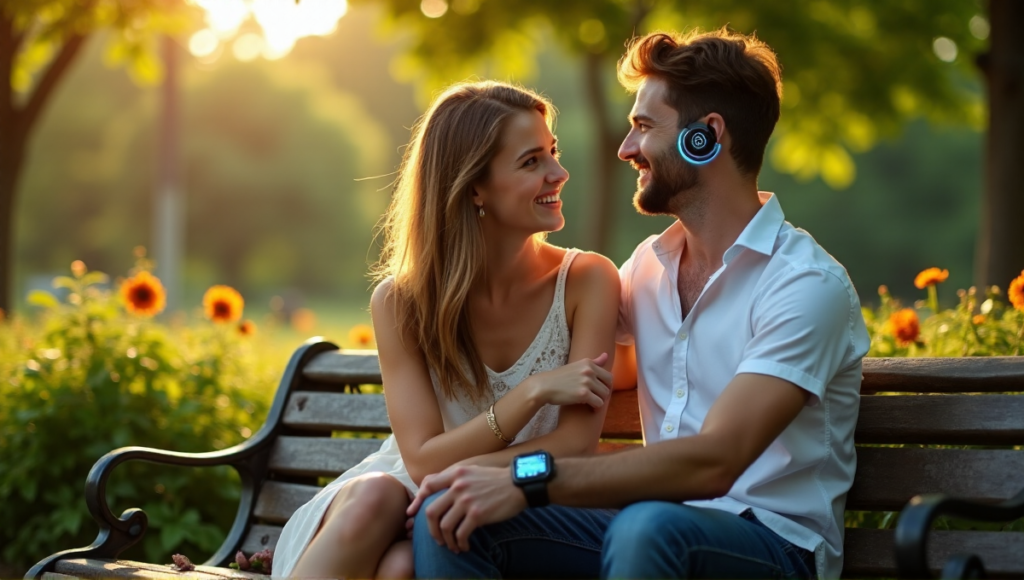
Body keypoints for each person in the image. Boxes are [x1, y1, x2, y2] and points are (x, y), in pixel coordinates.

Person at [409, 28, 870, 580]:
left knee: (647, 527)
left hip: (773, 545)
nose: (626, 149)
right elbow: (558, 346)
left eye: (644, 127)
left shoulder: (804, 286)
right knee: (451, 513)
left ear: (707, 136)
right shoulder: (646, 270)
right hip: (652, 528)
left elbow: (715, 461)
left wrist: (525, 476)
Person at [272, 80, 621, 579]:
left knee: (400, 568)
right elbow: (417, 464)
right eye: (531, 162)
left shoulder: (587, 281)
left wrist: (458, 475)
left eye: (553, 153)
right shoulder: (399, 302)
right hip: (396, 493)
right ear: (474, 186)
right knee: (375, 496)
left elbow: (574, 447)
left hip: (503, 499)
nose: (559, 173)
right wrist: (531, 393)